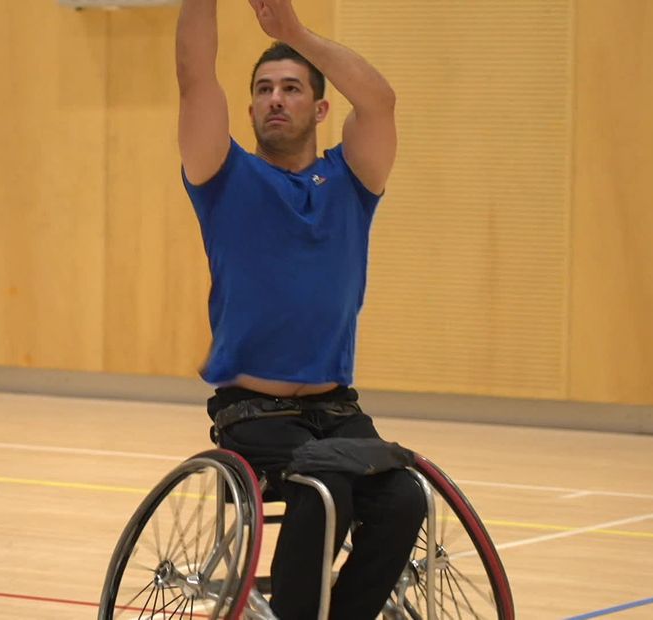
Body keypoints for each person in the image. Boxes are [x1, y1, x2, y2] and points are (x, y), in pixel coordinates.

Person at [176, 1, 426, 618]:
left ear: (319, 109)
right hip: (254, 415)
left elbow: (379, 102)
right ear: (251, 106)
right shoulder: (222, 175)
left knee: (404, 500)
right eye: (263, 90)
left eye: (291, 88)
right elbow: (194, 76)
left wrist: (291, 32)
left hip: (337, 411)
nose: (275, 99)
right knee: (324, 488)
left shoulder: (353, 179)